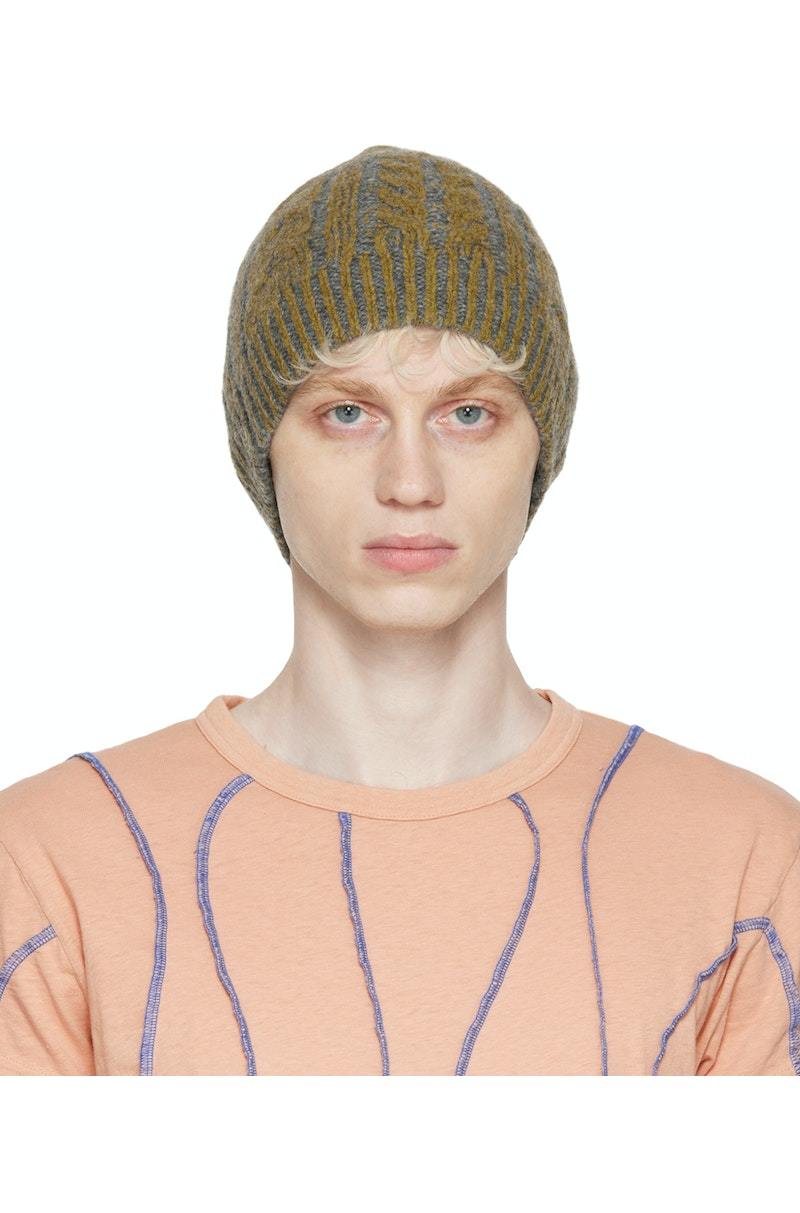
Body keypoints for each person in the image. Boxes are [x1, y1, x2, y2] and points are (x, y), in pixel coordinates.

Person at [1, 145, 798, 1077]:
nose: (410, 482)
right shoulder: (53, 864)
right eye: (348, 412)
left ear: (540, 446)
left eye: (469, 413)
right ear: (263, 447)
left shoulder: (743, 864)